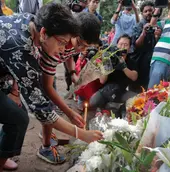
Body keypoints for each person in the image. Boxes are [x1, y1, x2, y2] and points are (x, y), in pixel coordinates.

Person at [0, 3, 103, 168]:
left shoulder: (31, 22)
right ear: (43, 33)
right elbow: (42, 110)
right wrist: (82, 134)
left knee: (16, 115)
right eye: (62, 42)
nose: (63, 49)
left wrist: (14, 89)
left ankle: (3, 155)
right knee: (17, 117)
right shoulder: (21, 48)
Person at [89, 34, 138, 112]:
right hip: (106, 90)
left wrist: (124, 67)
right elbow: (102, 81)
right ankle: (104, 107)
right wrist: (106, 66)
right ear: (117, 45)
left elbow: (134, 77)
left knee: (137, 99)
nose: (123, 47)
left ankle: (120, 108)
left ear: (129, 48)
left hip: (122, 91)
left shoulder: (131, 61)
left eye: (126, 45)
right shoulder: (109, 57)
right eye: (121, 44)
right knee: (93, 102)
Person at [130, 1, 162, 92]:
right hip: (140, 63)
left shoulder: (160, 24)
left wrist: (157, 36)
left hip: (155, 61)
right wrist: (143, 32)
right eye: (146, 11)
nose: (148, 13)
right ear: (142, 13)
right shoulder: (138, 26)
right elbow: (136, 45)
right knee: (138, 89)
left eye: (151, 10)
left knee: (153, 88)